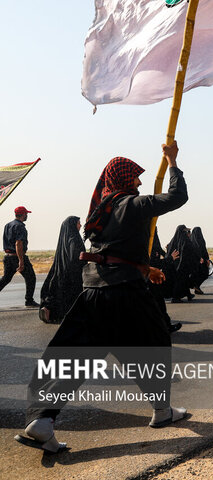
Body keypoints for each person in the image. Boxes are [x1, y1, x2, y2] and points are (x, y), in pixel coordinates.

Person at [16, 143, 188, 453]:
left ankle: (42, 420)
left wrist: (146, 269)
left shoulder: (100, 210)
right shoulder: (130, 204)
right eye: (134, 178)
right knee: (155, 346)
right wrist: (172, 162)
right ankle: (162, 410)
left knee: (73, 360)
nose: (138, 183)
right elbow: (177, 197)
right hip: (126, 295)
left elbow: (113, 252)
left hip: (95, 292)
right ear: (123, 179)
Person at [38, 216, 86, 324]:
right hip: (73, 272)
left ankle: (48, 310)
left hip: (61, 270)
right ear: (73, 225)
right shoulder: (74, 239)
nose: (80, 225)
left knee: (58, 292)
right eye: (78, 223)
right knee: (71, 295)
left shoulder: (65, 238)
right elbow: (75, 256)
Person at [0, 206, 39, 307]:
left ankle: (29, 300)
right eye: (26, 214)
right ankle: (29, 300)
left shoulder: (7, 225)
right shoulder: (20, 226)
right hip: (17, 257)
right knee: (31, 278)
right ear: (23, 214)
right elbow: (18, 243)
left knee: (6, 279)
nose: (27, 216)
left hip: (7, 257)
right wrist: (21, 261)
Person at [149, 230, 182, 332]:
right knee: (158, 305)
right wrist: (169, 258)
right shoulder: (148, 246)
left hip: (149, 279)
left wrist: (167, 255)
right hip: (149, 278)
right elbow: (154, 263)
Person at [166, 225, 198, 303]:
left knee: (183, 280)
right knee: (181, 281)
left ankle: (188, 295)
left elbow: (168, 249)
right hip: (183, 265)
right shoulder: (185, 240)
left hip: (174, 265)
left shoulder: (173, 240)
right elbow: (190, 251)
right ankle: (176, 298)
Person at [190, 227, 210, 294]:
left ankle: (197, 288)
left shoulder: (191, 240)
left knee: (198, 274)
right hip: (202, 260)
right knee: (205, 274)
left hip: (195, 261)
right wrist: (207, 259)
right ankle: (197, 286)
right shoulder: (201, 240)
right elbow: (204, 250)